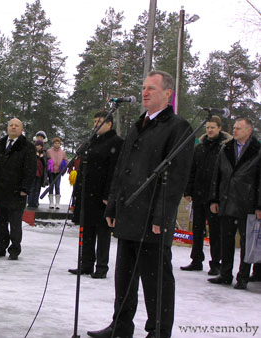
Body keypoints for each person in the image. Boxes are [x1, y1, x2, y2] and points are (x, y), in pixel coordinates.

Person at [88, 70, 194, 338]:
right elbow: (121, 169)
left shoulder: (177, 127)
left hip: (151, 218)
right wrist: (112, 205)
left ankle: (158, 331)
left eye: (152, 88)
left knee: (155, 281)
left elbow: (177, 177)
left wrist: (162, 216)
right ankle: (121, 326)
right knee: (124, 278)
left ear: (167, 94)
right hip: (128, 214)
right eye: (144, 87)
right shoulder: (138, 125)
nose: (145, 92)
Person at [68, 111, 123, 279]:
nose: (96, 124)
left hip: (102, 195)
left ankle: (101, 266)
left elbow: (115, 170)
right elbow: (83, 168)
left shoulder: (116, 142)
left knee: (102, 231)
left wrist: (109, 195)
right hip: (87, 194)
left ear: (109, 124)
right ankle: (86, 264)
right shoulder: (91, 142)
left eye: (100, 121)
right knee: (87, 229)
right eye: (95, 121)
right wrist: (77, 192)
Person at [208, 117, 261, 290]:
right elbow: (217, 175)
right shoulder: (226, 148)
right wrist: (214, 199)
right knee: (226, 240)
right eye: (235, 128)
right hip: (226, 199)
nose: (235, 131)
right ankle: (225, 273)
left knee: (246, 243)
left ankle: (243, 276)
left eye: (239, 128)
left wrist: (260, 205)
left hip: (248, 203)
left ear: (249, 131)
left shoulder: (257, 150)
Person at [181, 116, 232, 275]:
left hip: (214, 196)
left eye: (212, 127)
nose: (209, 130)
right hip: (198, 193)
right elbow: (192, 170)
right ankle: (196, 259)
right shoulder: (200, 147)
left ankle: (216, 263)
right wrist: (188, 191)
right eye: (207, 127)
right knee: (197, 228)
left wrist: (218, 195)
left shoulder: (225, 148)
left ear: (219, 128)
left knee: (215, 231)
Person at [0, 118, 36, 260]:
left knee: (15, 222)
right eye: (11, 125)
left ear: (21, 129)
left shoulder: (27, 146)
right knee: (0, 222)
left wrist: (25, 188)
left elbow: (30, 169)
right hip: (0, 189)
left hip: (17, 191)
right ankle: (0, 248)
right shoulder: (1, 143)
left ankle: (14, 249)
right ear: (7, 128)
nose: (13, 128)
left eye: (16, 126)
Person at [46, 137, 68, 209]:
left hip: (58, 172)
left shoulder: (63, 152)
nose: (57, 144)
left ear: (60, 144)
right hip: (51, 172)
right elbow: (46, 160)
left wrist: (64, 164)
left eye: (58, 143)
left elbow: (66, 160)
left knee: (57, 187)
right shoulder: (49, 151)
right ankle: (51, 203)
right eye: (55, 143)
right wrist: (49, 163)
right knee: (51, 186)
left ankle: (57, 203)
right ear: (53, 143)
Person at [27, 139, 48, 208]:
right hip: (33, 173)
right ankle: (30, 202)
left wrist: (41, 158)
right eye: (37, 145)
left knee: (37, 188)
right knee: (31, 188)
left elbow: (45, 164)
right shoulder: (32, 152)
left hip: (40, 174)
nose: (38, 147)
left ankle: (36, 201)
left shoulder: (44, 154)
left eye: (40, 145)